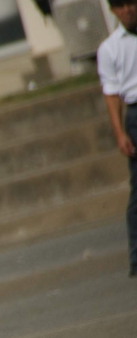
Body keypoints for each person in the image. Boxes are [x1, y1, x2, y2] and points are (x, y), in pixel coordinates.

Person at [97, 0, 137, 277]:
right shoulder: (110, 48)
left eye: (130, 3)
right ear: (113, 11)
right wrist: (119, 133)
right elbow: (111, 93)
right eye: (120, 6)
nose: (127, 10)